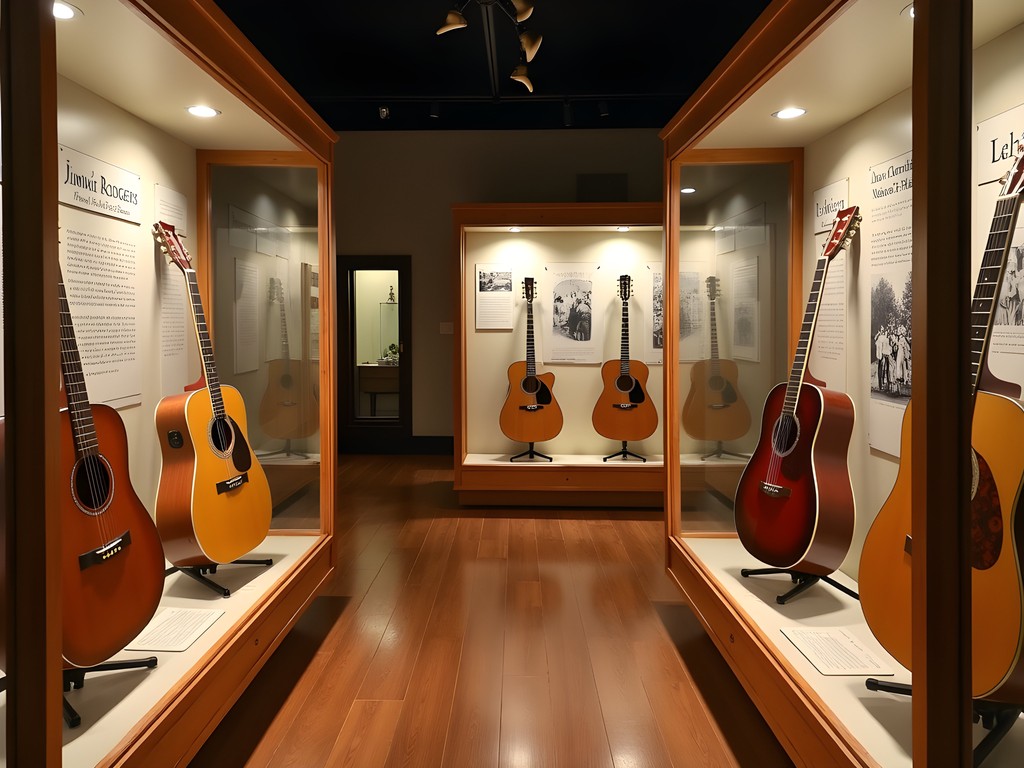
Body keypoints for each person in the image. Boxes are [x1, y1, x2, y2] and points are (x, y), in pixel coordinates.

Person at [875, 326, 891, 393]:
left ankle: (885, 385)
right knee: (882, 370)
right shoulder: (881, 338)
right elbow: (878, 346)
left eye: (883, 330)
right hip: (882, 356)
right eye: (881, 330)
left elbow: (887, 347)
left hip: (885, 355)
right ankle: (881, 385)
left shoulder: (885, 338)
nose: (883, 331)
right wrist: (880, 356)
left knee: (885, 370)